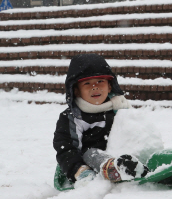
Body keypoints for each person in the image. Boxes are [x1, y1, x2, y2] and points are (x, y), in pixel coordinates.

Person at [53, 53, 149, 184]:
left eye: (100, 81)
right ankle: (112, 169)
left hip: (123, 152)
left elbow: (136, 130)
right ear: (76, 90)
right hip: (91, 160)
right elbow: (66, 149)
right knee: (91, 152)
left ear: (109, 86)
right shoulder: (73, 117)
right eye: (87, 83)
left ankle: (136, 165)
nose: (95, 87)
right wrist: (78, 169)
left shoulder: (119, 107)